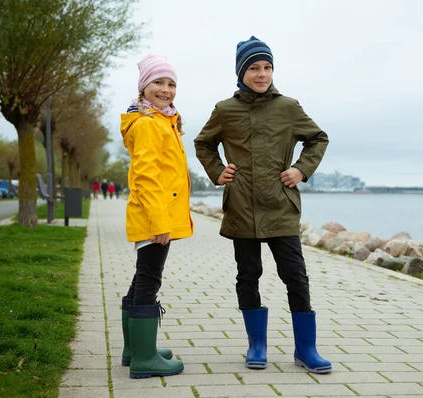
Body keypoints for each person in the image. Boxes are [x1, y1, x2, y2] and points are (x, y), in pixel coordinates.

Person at [194, 36, 331, 374]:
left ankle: (306, 349)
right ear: (242, 72)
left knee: (295, 276)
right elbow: (203, 143)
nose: (262, 74)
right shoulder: (225, 110)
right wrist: (217, 171)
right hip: (241, 206)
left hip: (281, 206)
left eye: (267, 67)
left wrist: (300, 169)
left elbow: (318, 138)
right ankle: (256, 345)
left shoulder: (288, 107)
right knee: (248, 275)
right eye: (254, 68)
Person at [120, 54, 193, 379]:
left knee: (141, 278)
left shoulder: (163, 121)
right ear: (143, 88)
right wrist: (160, 224)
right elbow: (146, 177)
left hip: (154, 215)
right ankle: (144, 359)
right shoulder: (150, 124)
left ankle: (135, 348)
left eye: (171, 84)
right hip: (154, 218)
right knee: (149, 280)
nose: (165, 89)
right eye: (158, 83)